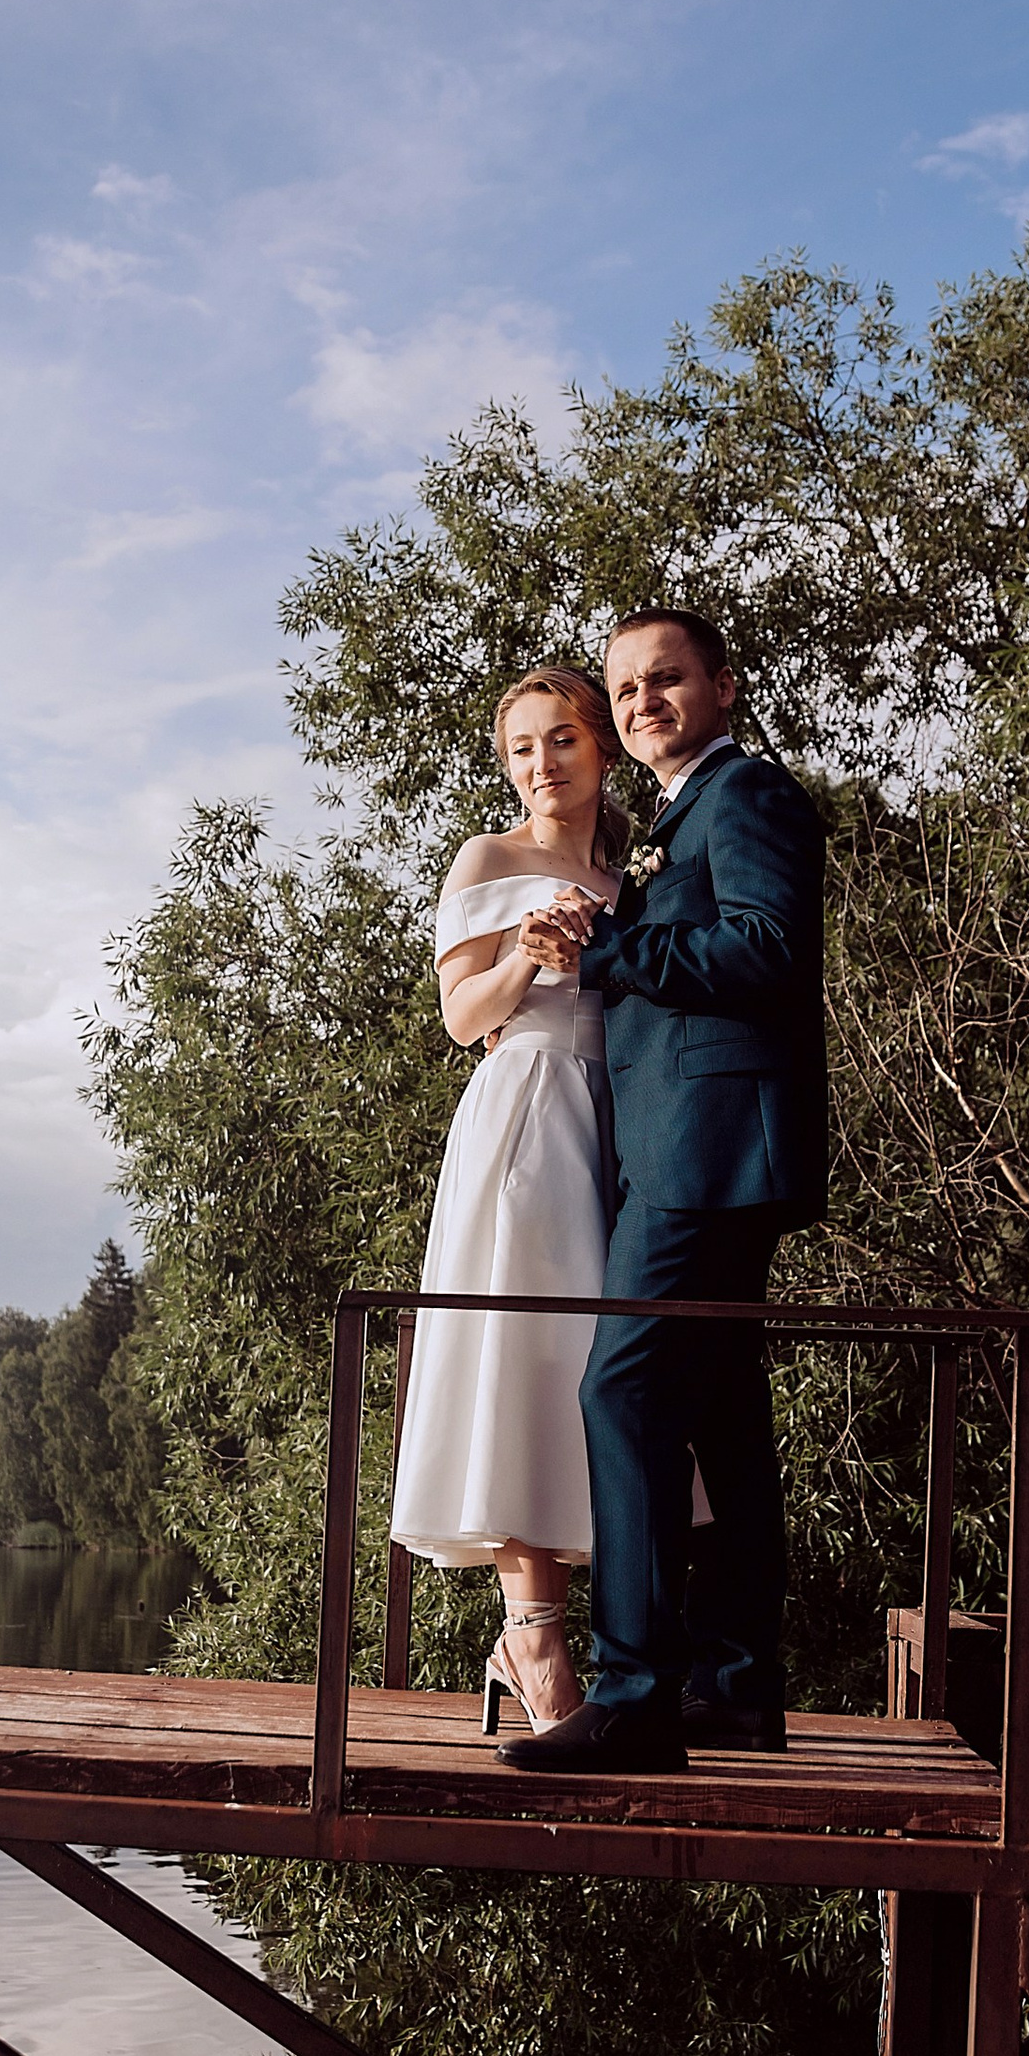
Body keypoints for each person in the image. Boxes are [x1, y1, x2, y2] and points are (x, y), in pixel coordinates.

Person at [496, 607, 827, 1772]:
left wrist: (609, 951)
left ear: (724, 688)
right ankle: (737, 1691)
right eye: (625, 686)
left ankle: (636, 1694)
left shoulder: (746, 800)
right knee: (723, 1421)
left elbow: (768, 950)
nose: (642, 701)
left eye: (667, 679)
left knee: (622, 1395)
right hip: (691, 1151)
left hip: (712, 1146)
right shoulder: (682, 816)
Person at [387, 664, 645, 1734]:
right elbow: (459, 1018)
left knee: (608, 1373)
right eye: (520, 749)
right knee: (525, 1359)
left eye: (561, 742)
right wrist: (526, 967)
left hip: (624, 1119)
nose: (540, 765)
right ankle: (535, 1645)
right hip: (529, 1109)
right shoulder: (487, 860)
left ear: (603, 748)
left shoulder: (640, 871)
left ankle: (591, 1642)